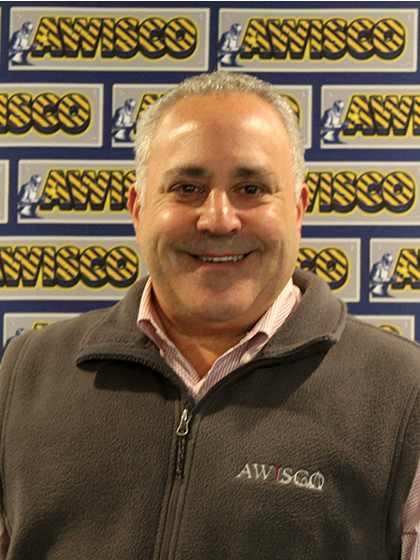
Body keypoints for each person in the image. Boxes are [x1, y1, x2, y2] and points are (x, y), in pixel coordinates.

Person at [1, 71, 420, 560]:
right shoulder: (24, 375)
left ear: (299, 210)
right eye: (186, 188)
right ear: (138, 210)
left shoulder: (402, 393)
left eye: (251, 188)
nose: (219, 219)